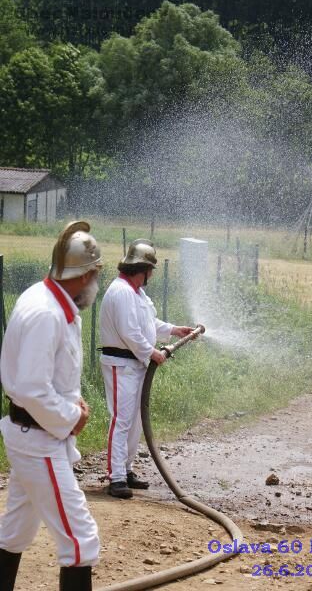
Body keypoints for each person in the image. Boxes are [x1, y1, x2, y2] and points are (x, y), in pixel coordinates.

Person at [0, 221, 102, 591]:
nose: (96, 284)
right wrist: (72, 415)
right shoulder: (47, 313)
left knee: (15, 530)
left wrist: (70, 401)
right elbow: (31, 388)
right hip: (38, 438)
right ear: (85, 274)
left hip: (32, 433)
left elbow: (46, 378)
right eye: (95, 275)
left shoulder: (47, 299)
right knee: (80, 541)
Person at [99, 239, 193, 499]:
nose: (151, 274)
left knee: (135, 421)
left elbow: (148, 323)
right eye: (150, 269)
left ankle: (126, 470)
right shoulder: (121, 292)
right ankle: (116, 477)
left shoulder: (136, 292)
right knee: (121, 419)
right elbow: (130, 333)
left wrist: (173, 330)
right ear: (141, 268)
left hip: (134, 364)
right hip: (122, 364)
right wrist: (152, 352)